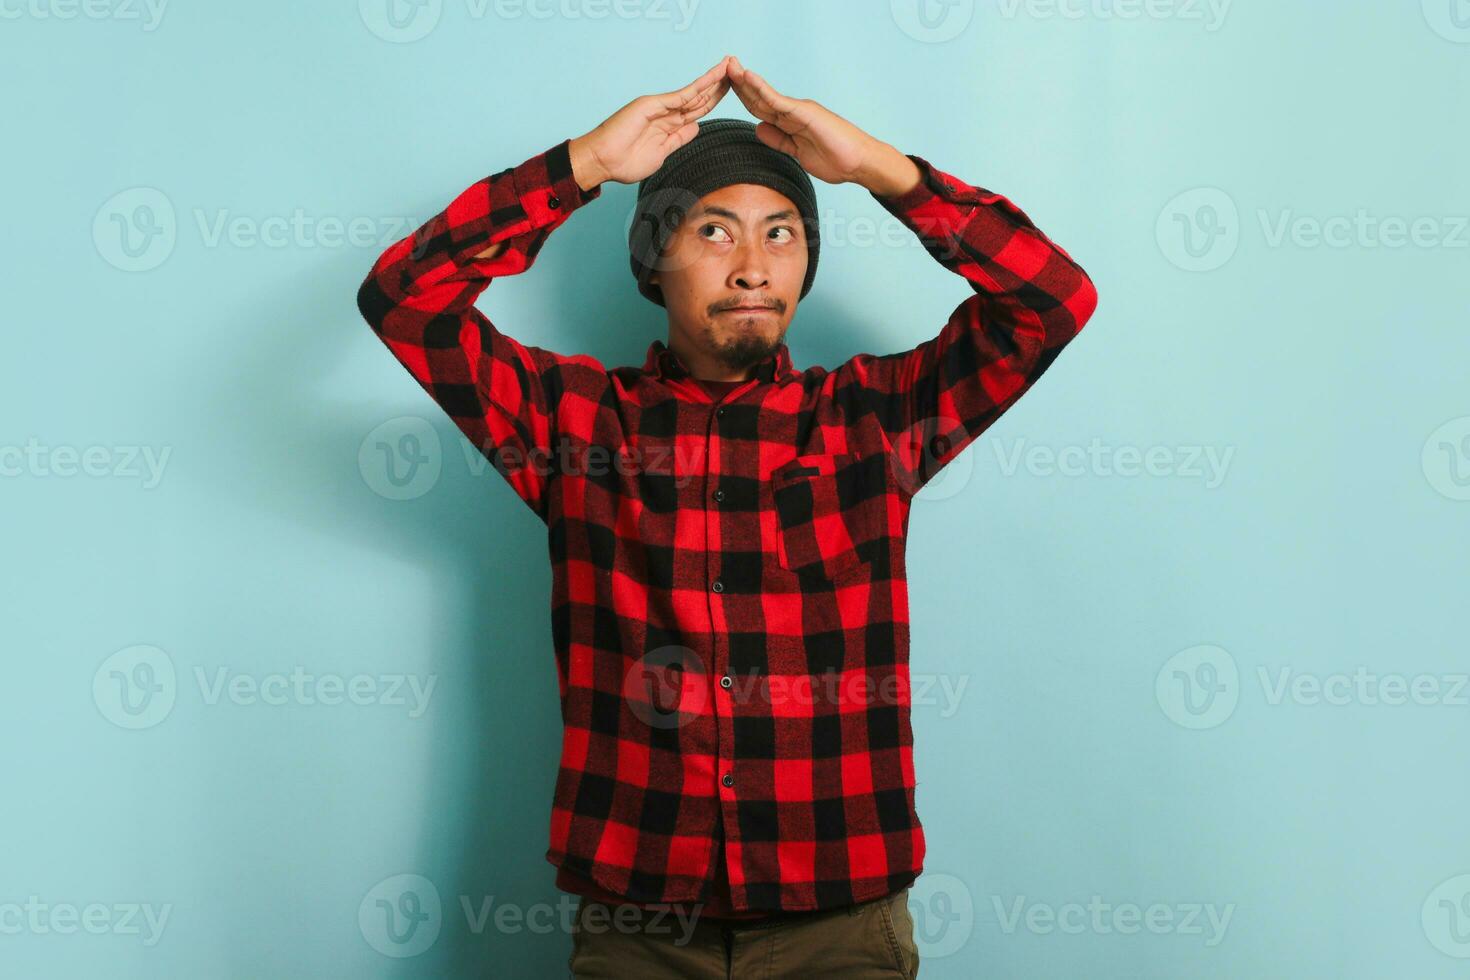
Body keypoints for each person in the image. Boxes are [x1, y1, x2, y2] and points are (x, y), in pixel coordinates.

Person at [356, 53, 1097, 979]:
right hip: (638, 927)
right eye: (715, 231)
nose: (754, 267)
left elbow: (1054, 301)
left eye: (782, 234)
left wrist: (880, 170)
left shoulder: (878, 419)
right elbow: (403, 298)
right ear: (652, 258)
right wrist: (580, 165)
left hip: (842, 921)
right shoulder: (570, 426)